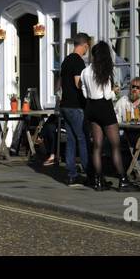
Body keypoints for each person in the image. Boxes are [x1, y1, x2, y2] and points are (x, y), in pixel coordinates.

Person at [82, 41, 134, 191]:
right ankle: (123, 180)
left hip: (91, 107)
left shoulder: (85, 71)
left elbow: (85, 92)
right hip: (104, 107)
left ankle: (98, 181)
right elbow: (106, 95)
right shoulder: (104, 71)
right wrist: (115, 91)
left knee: (97, 146)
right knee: (115, 145)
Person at [58, 33, 91, 186]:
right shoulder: (78, 61)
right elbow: (78, 83)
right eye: (87, 47)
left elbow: (59, 84)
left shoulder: (65, 60)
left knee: (71, 140)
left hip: (65, 105)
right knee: (82, 139)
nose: (87, 50)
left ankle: (71, 175)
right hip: (75, 106)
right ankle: (89, 172)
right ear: (84, 45)